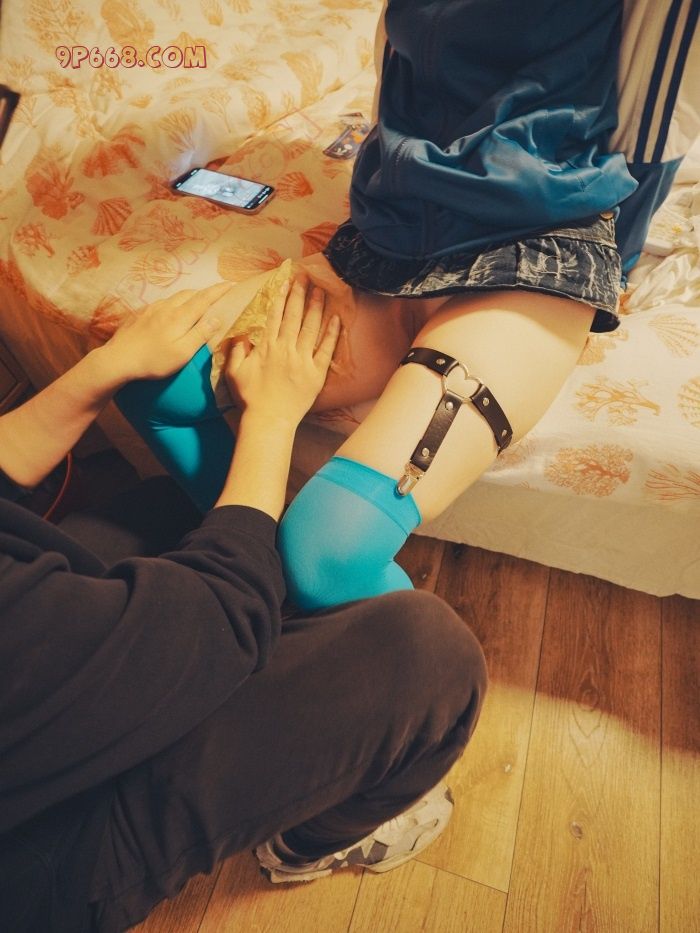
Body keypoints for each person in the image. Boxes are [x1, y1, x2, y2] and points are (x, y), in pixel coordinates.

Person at [0, 281, 488, 932]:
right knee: (429, 658)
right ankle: (303, 844)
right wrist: (273, 416)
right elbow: (218, 616)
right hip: (39, 856)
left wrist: (107, 366)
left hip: (28, 703)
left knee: (163, 511)